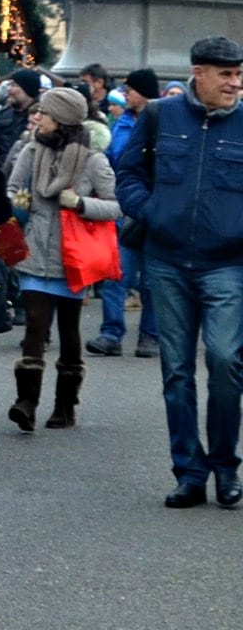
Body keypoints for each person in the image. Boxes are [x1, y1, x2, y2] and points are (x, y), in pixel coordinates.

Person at [112, 36, 243, 510]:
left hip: (227, 264)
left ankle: (226, 466)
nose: (235, 83)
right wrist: (150, 212)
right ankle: (189, 472)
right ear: (199, 74)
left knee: (227, 363)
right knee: (177, 373)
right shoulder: (159, 117)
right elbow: (126, 174)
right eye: (226, 74)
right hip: (166, 262)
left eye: (239, 74)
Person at [2, 87, 120, 433]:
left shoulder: (94, 159)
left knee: (69, 331)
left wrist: (81, 204)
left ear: (63, 120)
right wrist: (18, 204)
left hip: (74, 257)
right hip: (34, 250)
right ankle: (27, 402)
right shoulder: (31, 149)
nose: (39, 118)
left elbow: (117, 206)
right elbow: (10, 190)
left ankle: (66, 406)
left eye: (46, 114)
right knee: (36, 325)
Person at [95, 68, 163, 357]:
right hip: (127, 209)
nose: (125, 96)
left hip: (159, 212)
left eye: (130, 91)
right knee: (115, 275)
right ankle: (111, 333)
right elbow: (115, 161)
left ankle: (149, 335)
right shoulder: (121, 123)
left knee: (152, 281)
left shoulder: (165, 119)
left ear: (143, 92)